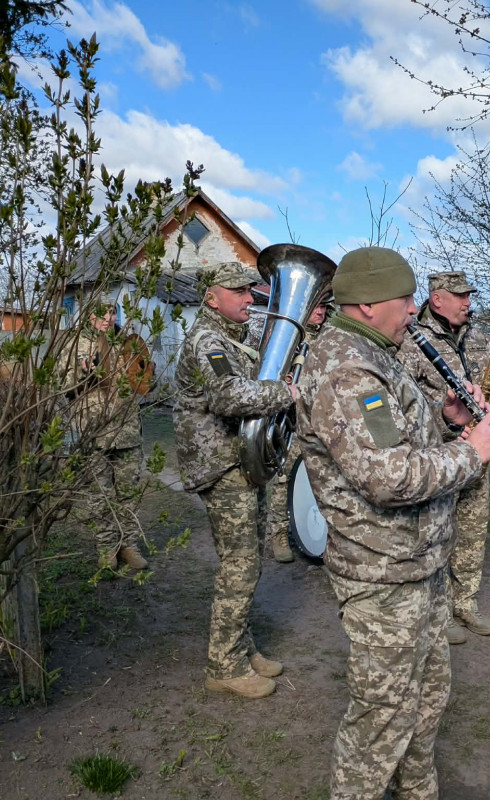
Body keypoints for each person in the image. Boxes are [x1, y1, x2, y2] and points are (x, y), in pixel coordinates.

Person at [297, 247, 490, 800]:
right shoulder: (347, 368)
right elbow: (387, 478)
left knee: (428, 696)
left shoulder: (378, 349)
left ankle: (417, 790)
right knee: (381, 721)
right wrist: (473, 453)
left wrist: (448, 420)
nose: (415, 308)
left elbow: (400, 440)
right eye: (406, 297)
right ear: (368, 304)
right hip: (382, 573)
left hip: (420, 563)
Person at [173, 261, 297, 699]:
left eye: (252, 290)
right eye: (240, 291)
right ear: (212, 298)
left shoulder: (230, 338)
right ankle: (223, 664)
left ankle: (241, 647)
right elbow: (228, 398)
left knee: (248, 561)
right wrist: (286, 392)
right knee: (239, 566)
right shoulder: (208, 340)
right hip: (221, 467)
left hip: (238, 464)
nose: (251, 298)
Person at [397, 272, 490, 644]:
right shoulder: (413, 339)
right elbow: (404, 404)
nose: (467, 302)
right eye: (459, 296)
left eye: (468, 295)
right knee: (438, 533)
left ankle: (465, 603)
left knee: (474, 531)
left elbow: (486, 387)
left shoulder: (476, 335)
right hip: (441, 453)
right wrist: (447, 418)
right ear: (437, 299)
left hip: (479, 449)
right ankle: (439, 611)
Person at [66, 300, 148, 572]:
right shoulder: (74, 344)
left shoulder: (129, 342)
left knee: (128, 494)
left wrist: (147, 372)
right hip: (93, 431)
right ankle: (106, 548)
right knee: (100, 495)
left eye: (112, 312)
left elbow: (144, 382)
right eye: (102, 313)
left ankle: (129, 546)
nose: (108, 318)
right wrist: (81, 372)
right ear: (89, 316)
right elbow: (60, 385)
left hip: (127, 432)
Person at [264, 299, 331, 563]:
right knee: (284, 478)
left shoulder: (332, 337)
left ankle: (318, 533)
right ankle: (279, 531)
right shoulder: (287, 337)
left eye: (324, 307)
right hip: (292, 421)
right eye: (316, 306)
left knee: (321, 478)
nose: (320, 311)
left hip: (322, 421)